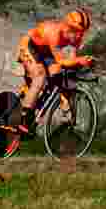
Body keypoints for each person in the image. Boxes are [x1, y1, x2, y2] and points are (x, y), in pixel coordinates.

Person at [16, 7, 94, 135]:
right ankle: (23, 119)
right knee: (40, 77)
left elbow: (72, 61)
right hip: (29, 45)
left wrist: (84, 65)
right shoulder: (54, 34)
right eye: (77, 32)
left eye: (82, 33)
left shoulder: (76, 36)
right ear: (68, 27)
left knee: (58, 74)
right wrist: (80, 61)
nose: (80, 36)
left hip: (46, 52)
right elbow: (62, 61)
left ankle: (51, 111)